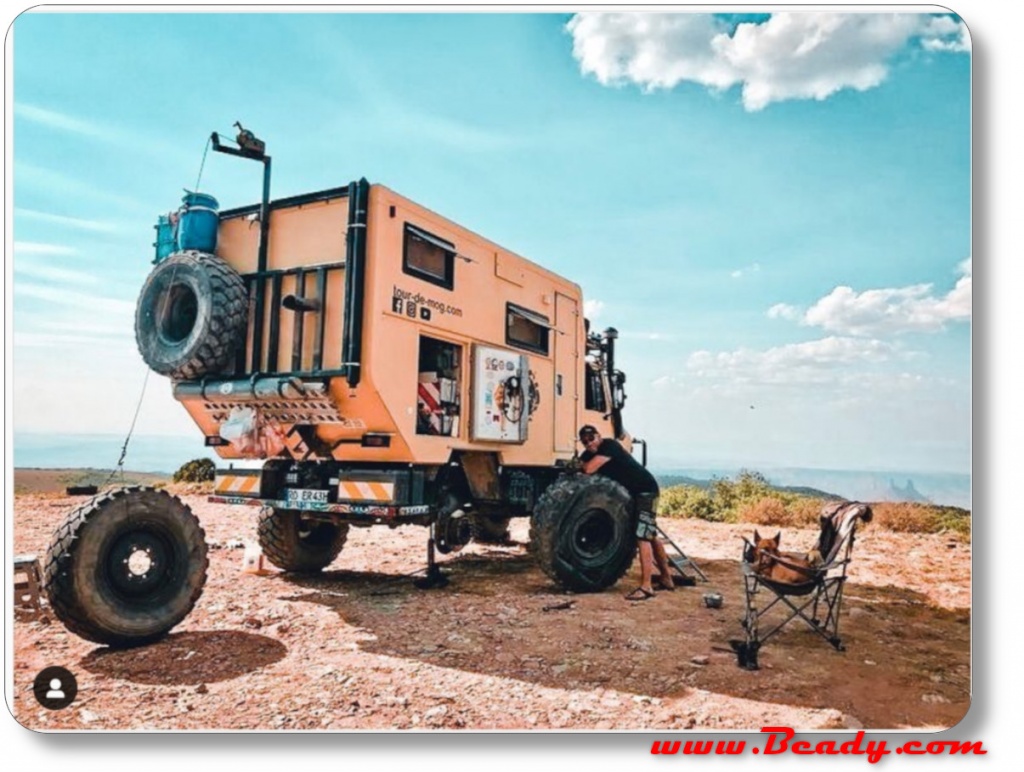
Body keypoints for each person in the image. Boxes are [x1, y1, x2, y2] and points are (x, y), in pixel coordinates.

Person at [578, 424, 676, 600]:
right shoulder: (590, 452)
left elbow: (588, 469)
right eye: (585, 442)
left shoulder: (610, 446)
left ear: (598, 436)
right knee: (651, 534)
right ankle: (666, 578)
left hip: (646, 491)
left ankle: (646, 587)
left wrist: (578, 465)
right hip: (635, 494)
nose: (589, 444)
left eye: (591, 439)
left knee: (642, 537)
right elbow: (581, 464)